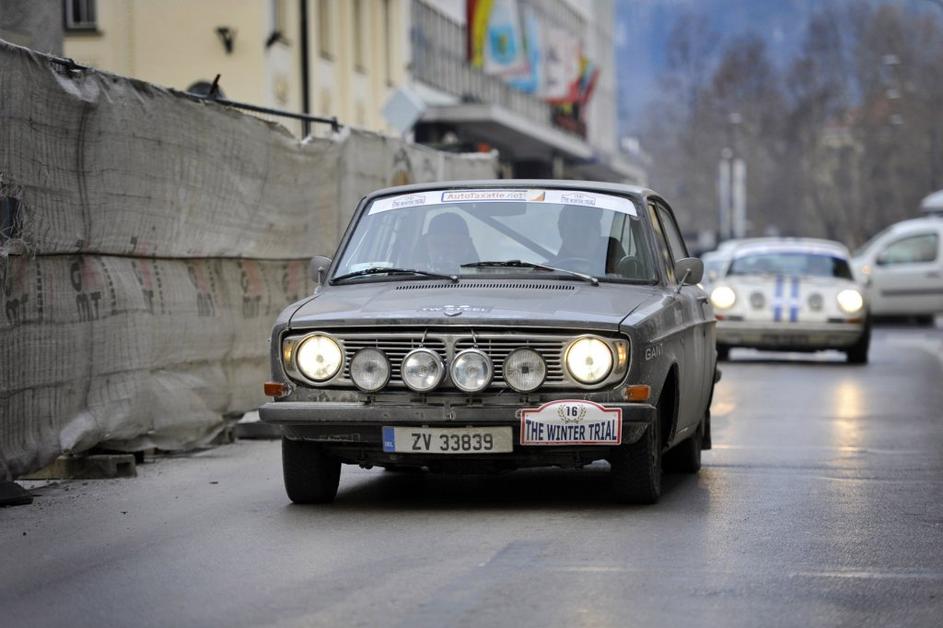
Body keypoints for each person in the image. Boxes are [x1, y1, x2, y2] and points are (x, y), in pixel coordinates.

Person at [550, 206, 625, 274]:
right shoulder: (547, 271)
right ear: (562, 234)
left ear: (598, 234)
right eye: (573, 232)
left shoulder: (615, 261)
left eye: (585, 231)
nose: (580, 238)